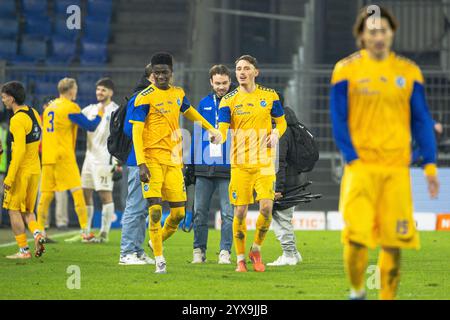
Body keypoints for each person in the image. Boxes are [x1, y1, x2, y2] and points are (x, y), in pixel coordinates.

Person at [330, 6, 439, 300]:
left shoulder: (408, 71)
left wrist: (430, 165)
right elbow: (338, 118)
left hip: (395, 171)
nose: (379, 36)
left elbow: (421, 119)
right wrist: (351, 156)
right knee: (356, 240)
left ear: (392, 33)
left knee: (393, 243)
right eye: (372, 30)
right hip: (361, 168)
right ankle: (357, 292)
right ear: (362, 36)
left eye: (384, 30)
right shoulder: (346, 70)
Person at [130, 52, 219, 274]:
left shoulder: (178, 94)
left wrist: (211, 128)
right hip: (151, 160)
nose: (160, 76)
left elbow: (191, 113)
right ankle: (159, 259)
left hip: (173, 161)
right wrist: (141, 164)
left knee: (178, 214)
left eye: (164, 72)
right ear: (152, 73)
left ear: (171, 73)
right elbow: (136, 132)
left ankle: (155, 240)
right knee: (156, 211)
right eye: (157, 72)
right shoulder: (144, 97)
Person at [211, 55, 287, 272]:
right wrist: (217, 136)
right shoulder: (229, 100)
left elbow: (282, 123)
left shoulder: (270, 96)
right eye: (238, 69)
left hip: (264, 163)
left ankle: (256, 249)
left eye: (246, 68)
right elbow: (223, 130)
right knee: (241, 212)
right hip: (241, 164)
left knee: (266, 207)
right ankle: (241, 259)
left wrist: (275, 133)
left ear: (256, 72)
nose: (241, 72)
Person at [37, 78, 106, 243]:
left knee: (45, 195)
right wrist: (100, 113)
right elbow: (90, 126)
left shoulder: (49, 108)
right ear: (70, 91)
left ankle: (40, 232)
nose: (76, 91)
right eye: (75, 89)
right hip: (63, 157)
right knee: (77, 192)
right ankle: (85, 232)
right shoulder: (70, 107)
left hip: (47, 156)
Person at [189, 64, 234, 264]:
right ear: (211, 82)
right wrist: (190, 163)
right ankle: (199, 250)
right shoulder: (203, 104)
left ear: (230, 82)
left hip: (228, 166)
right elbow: (197, 134)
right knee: (199, 212)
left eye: (224, 83)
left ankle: (225, 251)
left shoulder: (236, 102)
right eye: (217, 83)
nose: (221, 87)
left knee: (227, 213)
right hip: (203, 167)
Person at [1, 81, 45, 259]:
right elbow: (35, 138)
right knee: (28, 210)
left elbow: (18, 152)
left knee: (13, 209)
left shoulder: (17, 119)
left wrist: (9, 178)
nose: (2, 100)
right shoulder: (34, 113)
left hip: (21, 172)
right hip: (35, 169)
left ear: (11, 98)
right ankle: (37, 234)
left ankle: (23, 250)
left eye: (3, 97)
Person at [119, 64, 155, 265]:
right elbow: (128, 129)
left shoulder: (154, 97)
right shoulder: (139, 97)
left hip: (151, 159)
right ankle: (126, 253)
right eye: (157, 73)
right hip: (137, 160)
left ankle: (137, 250)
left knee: (143, 207)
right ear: (150, 77)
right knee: (135, 205)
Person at [81, 78, 121, 243]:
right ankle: (86, 232)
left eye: (103, 90)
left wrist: (118, 161)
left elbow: (120, 137)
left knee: (105, 195)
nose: (99, 93)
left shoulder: (116, 111)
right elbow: (72, 117)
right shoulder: (90, 109)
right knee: (85, 194)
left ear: (110, 92)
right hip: (88, 159)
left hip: (105, 159)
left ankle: (104, 233)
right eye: (98, 90)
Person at [267, 105, 303, 266]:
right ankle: (294, 253)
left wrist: (277, 188)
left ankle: (289, 254)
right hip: (294, 179)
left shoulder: (280, 131)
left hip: (283, 182)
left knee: (281, 219)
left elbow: (278, 162)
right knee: (284, 218)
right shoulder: (292, 125)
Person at [39, 96, 69, 235]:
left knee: (60, 192)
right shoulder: (39, 119)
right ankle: (43, 222)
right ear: (44, 106)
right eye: (49, 104)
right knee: (43, 192)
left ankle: (61, 222)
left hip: (58, 159)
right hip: (43, 160)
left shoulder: (60, 120)